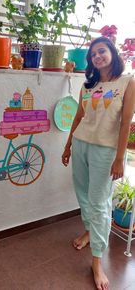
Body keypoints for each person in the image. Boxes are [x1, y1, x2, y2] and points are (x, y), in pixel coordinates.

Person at [61, 36, 135, 290]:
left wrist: (119, 158)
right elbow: (79, 116)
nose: (97, 57)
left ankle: (96, 261)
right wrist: (68, 144)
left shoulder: (128, 82)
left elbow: (126, 123)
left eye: (101, 51)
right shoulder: (88, 85)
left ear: (112, 53)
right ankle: (90, 231)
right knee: (83, 196)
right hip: (81, 145)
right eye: (93, 55)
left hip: (105, 151)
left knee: (100, 203)